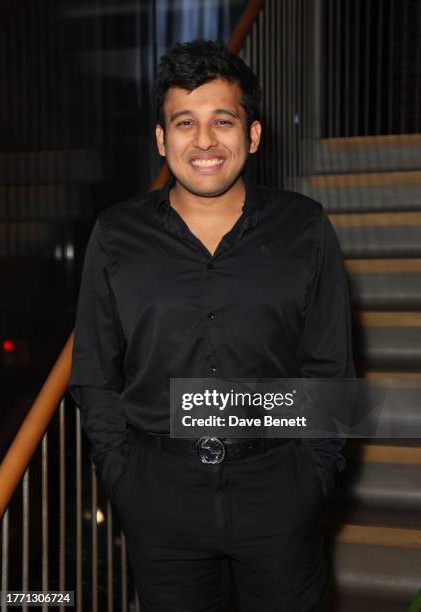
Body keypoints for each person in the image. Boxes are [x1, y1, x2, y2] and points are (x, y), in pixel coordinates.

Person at [69, 39, 354, 611]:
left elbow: (330, 368)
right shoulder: (115, 234)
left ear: (251, 135)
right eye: (184, 122)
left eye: (222, 120)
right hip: (159, 495)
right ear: (161, 138)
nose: (203, 141)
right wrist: (122, 476)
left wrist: (312, 476)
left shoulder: (306, 228)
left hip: (278, 490)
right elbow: (95, 371)